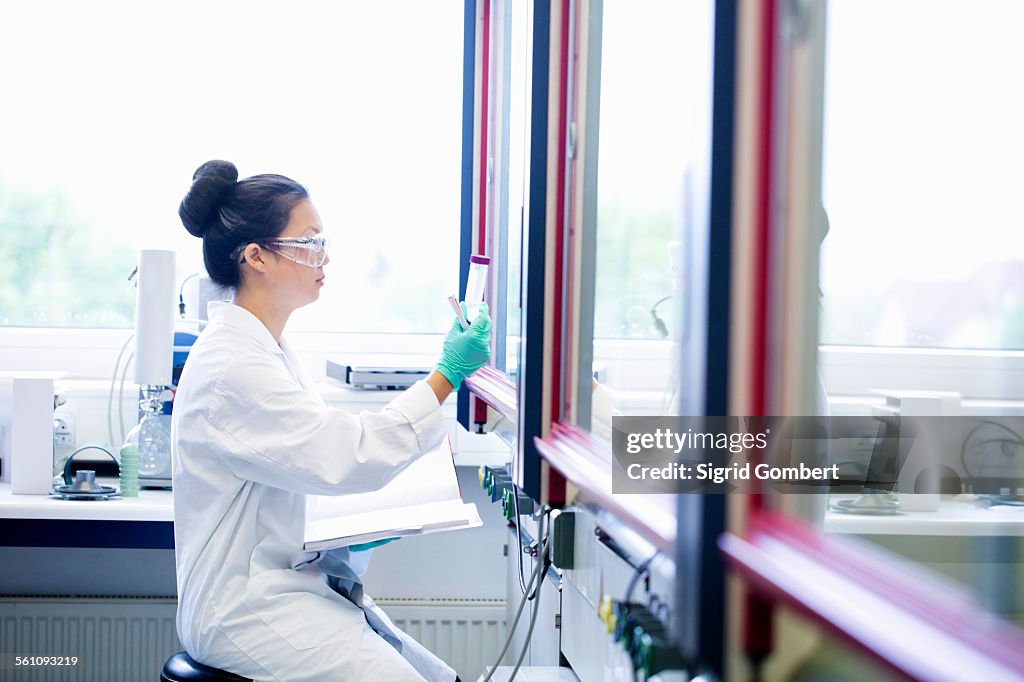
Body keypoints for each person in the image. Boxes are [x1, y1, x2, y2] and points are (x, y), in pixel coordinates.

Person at [171, 160, 489, 681]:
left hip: (282, 586)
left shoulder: (265, 348)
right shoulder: (232, 364)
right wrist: (447, 374)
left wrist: (354, 531)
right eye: (309, 243)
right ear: (256, 257)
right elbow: (346, 456)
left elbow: (309, 457)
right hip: (244, 608)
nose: (324, 256)